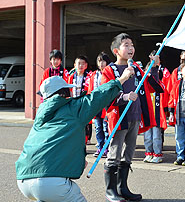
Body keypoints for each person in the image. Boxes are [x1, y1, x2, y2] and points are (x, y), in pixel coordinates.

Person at [15, 68, 134, 202]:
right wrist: (122, 79)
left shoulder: (41, 116)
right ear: (63, 92)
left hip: (23, 180)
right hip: (51, 182)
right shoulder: (73, 108)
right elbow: (98, 96)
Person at [101, 33, 163, 202]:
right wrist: (125, 96)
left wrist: (155, 67)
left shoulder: (136, 67)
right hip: (119, 118)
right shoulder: (108, 71)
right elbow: (106, 95)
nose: (130, 48)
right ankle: (110, 190)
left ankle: (123, 187)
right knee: (114, 153)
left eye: (131, 45)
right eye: (126, 45)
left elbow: (152, 86)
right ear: (116, 50)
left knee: (128, 153)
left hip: (135, 116)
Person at [143, 56, 169, 163]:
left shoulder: (160, 85)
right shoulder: (143, 86)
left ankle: (157, 154)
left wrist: (154, 67)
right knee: (147, 136)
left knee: (156, 137)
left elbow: (165, 96)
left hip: (157, 116)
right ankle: (149, 153)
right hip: (147, 115)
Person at [88, 52, 111, 157]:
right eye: (99, 61)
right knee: (98, 128)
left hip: (106, 105)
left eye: (103, 61)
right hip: (96, 105)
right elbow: (90, 90)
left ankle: (107, 148)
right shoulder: (93, 75)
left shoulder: (110, 73)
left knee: (106, 128)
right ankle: (100, 147)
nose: (101, 63)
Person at [68, 55, 93, 144]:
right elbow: (69, 89)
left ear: (86, 65)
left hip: (85, 101)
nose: (81, 66)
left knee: (86, 120)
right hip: (74, 101)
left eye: (83, 64)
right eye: (79, 63)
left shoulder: (90, 76)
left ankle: (87, 137)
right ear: (75, 65)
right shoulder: (71, 76)